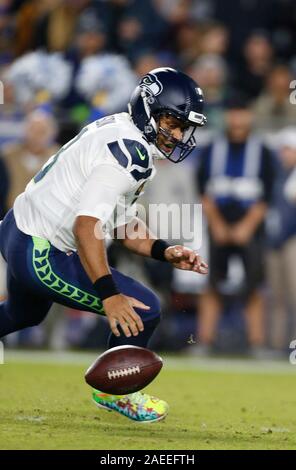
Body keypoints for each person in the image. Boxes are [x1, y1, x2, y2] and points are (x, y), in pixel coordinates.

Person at [0, 67, 208, 423]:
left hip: (16, 229)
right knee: (145, 310)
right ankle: (115, 394)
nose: (176, 134)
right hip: (41, 250)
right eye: (171, 122)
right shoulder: (132, 154)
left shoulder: (119, 129)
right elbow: (86, 228)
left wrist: (164, 250)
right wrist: (110, 294)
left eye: (181, 126)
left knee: (24, 313)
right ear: (148, 109)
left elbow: (121, 224)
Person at [196, 93, 274, 356]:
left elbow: (267, 195)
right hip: (218, 223)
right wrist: (217, 224)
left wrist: (246, 227)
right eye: (233, 112)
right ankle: (204, 342)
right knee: (212, 284)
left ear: (249, 115)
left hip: (250, 227)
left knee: (254, 286)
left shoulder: (262, 150)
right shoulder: (211, 148)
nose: (237, 118)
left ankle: (257, 343)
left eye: (242, 112)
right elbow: (203, 191)